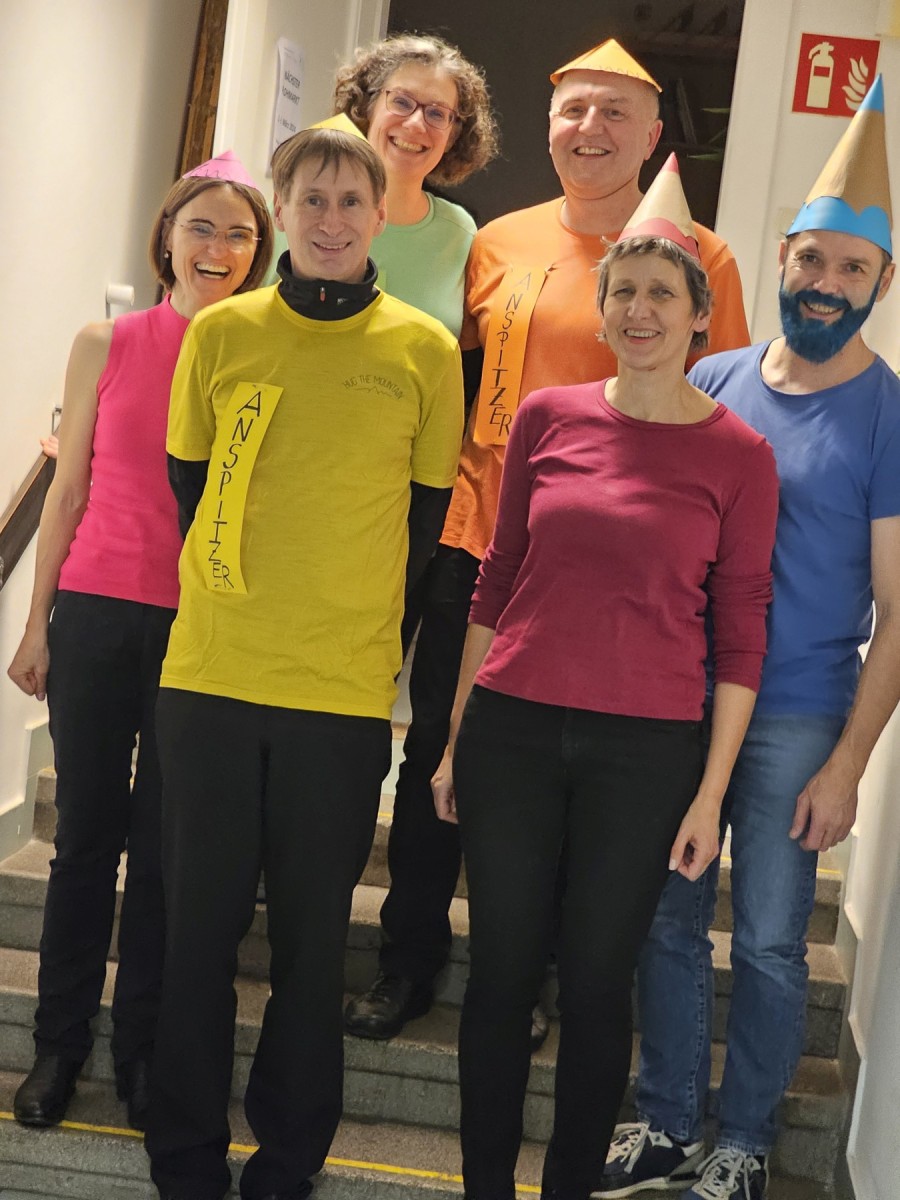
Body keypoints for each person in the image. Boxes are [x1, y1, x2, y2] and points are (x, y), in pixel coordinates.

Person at [345, 36, 751, 1046]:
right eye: (574, 109)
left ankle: (542, 975)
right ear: (548, 125)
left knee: (567, 779)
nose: (590, 129)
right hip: (478, 541)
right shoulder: (495, 241)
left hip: (610, 572)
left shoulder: (702, 259)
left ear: (652, 136)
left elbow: (723, 409)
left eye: (616, 112)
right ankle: (408, 962)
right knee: (439, 751)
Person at [431, 157, 779, 1200]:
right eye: (621, 290)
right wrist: (454, 737)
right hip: (513, 731)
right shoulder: (547, 417)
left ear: (700, 316)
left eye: (661, 292)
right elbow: (495, 582)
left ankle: (569, 1188)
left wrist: (710, 795)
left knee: (593, 983)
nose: (637, 310)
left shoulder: (740, 456)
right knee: (500, 976)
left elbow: (741, 634)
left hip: (646, 752)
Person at [143, 125, 463, 1200]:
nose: (331, 220)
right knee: (196, 938)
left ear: (380, 216)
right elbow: (192, 491)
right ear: (281, 210)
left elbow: (423, 535)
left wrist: (359, 639)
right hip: (211, 680)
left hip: (339, 699)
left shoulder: (424, 350)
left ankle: (286, 1165)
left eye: (351, 202)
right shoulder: (221, 333)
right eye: (311, 200)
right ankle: (185, 1160)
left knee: (313, 948)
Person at [598, 77, 900, 1200]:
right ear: (781, 261)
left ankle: (746, 1141)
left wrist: (848, 763)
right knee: (666, 919)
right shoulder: (713, 380)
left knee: (771, 937)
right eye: (812, 260)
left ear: (882, 283)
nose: (826, 283)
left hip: (796, 712)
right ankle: (668, 1121)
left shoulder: (890, 416)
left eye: (852, 269)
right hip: (679, 700)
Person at [6, 153, 272, 1133]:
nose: (218, 247)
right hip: (97, 614)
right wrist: (37, 623)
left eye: (239, 234)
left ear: (259, 252)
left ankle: (142, 1051)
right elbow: (68, 489)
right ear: (167, 236)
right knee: (84, 841)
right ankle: (59, 1046)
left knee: (168, 850)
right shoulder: (106, 342)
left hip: (204, 632)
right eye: (202, 227)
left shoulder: (264, 351)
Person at [332, 32, 497, 337]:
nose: (415, 123)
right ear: (367, 107)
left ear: (453, 136)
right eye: (401, 101)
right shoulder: (299, 213)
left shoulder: (460, 234)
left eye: (437, 113)